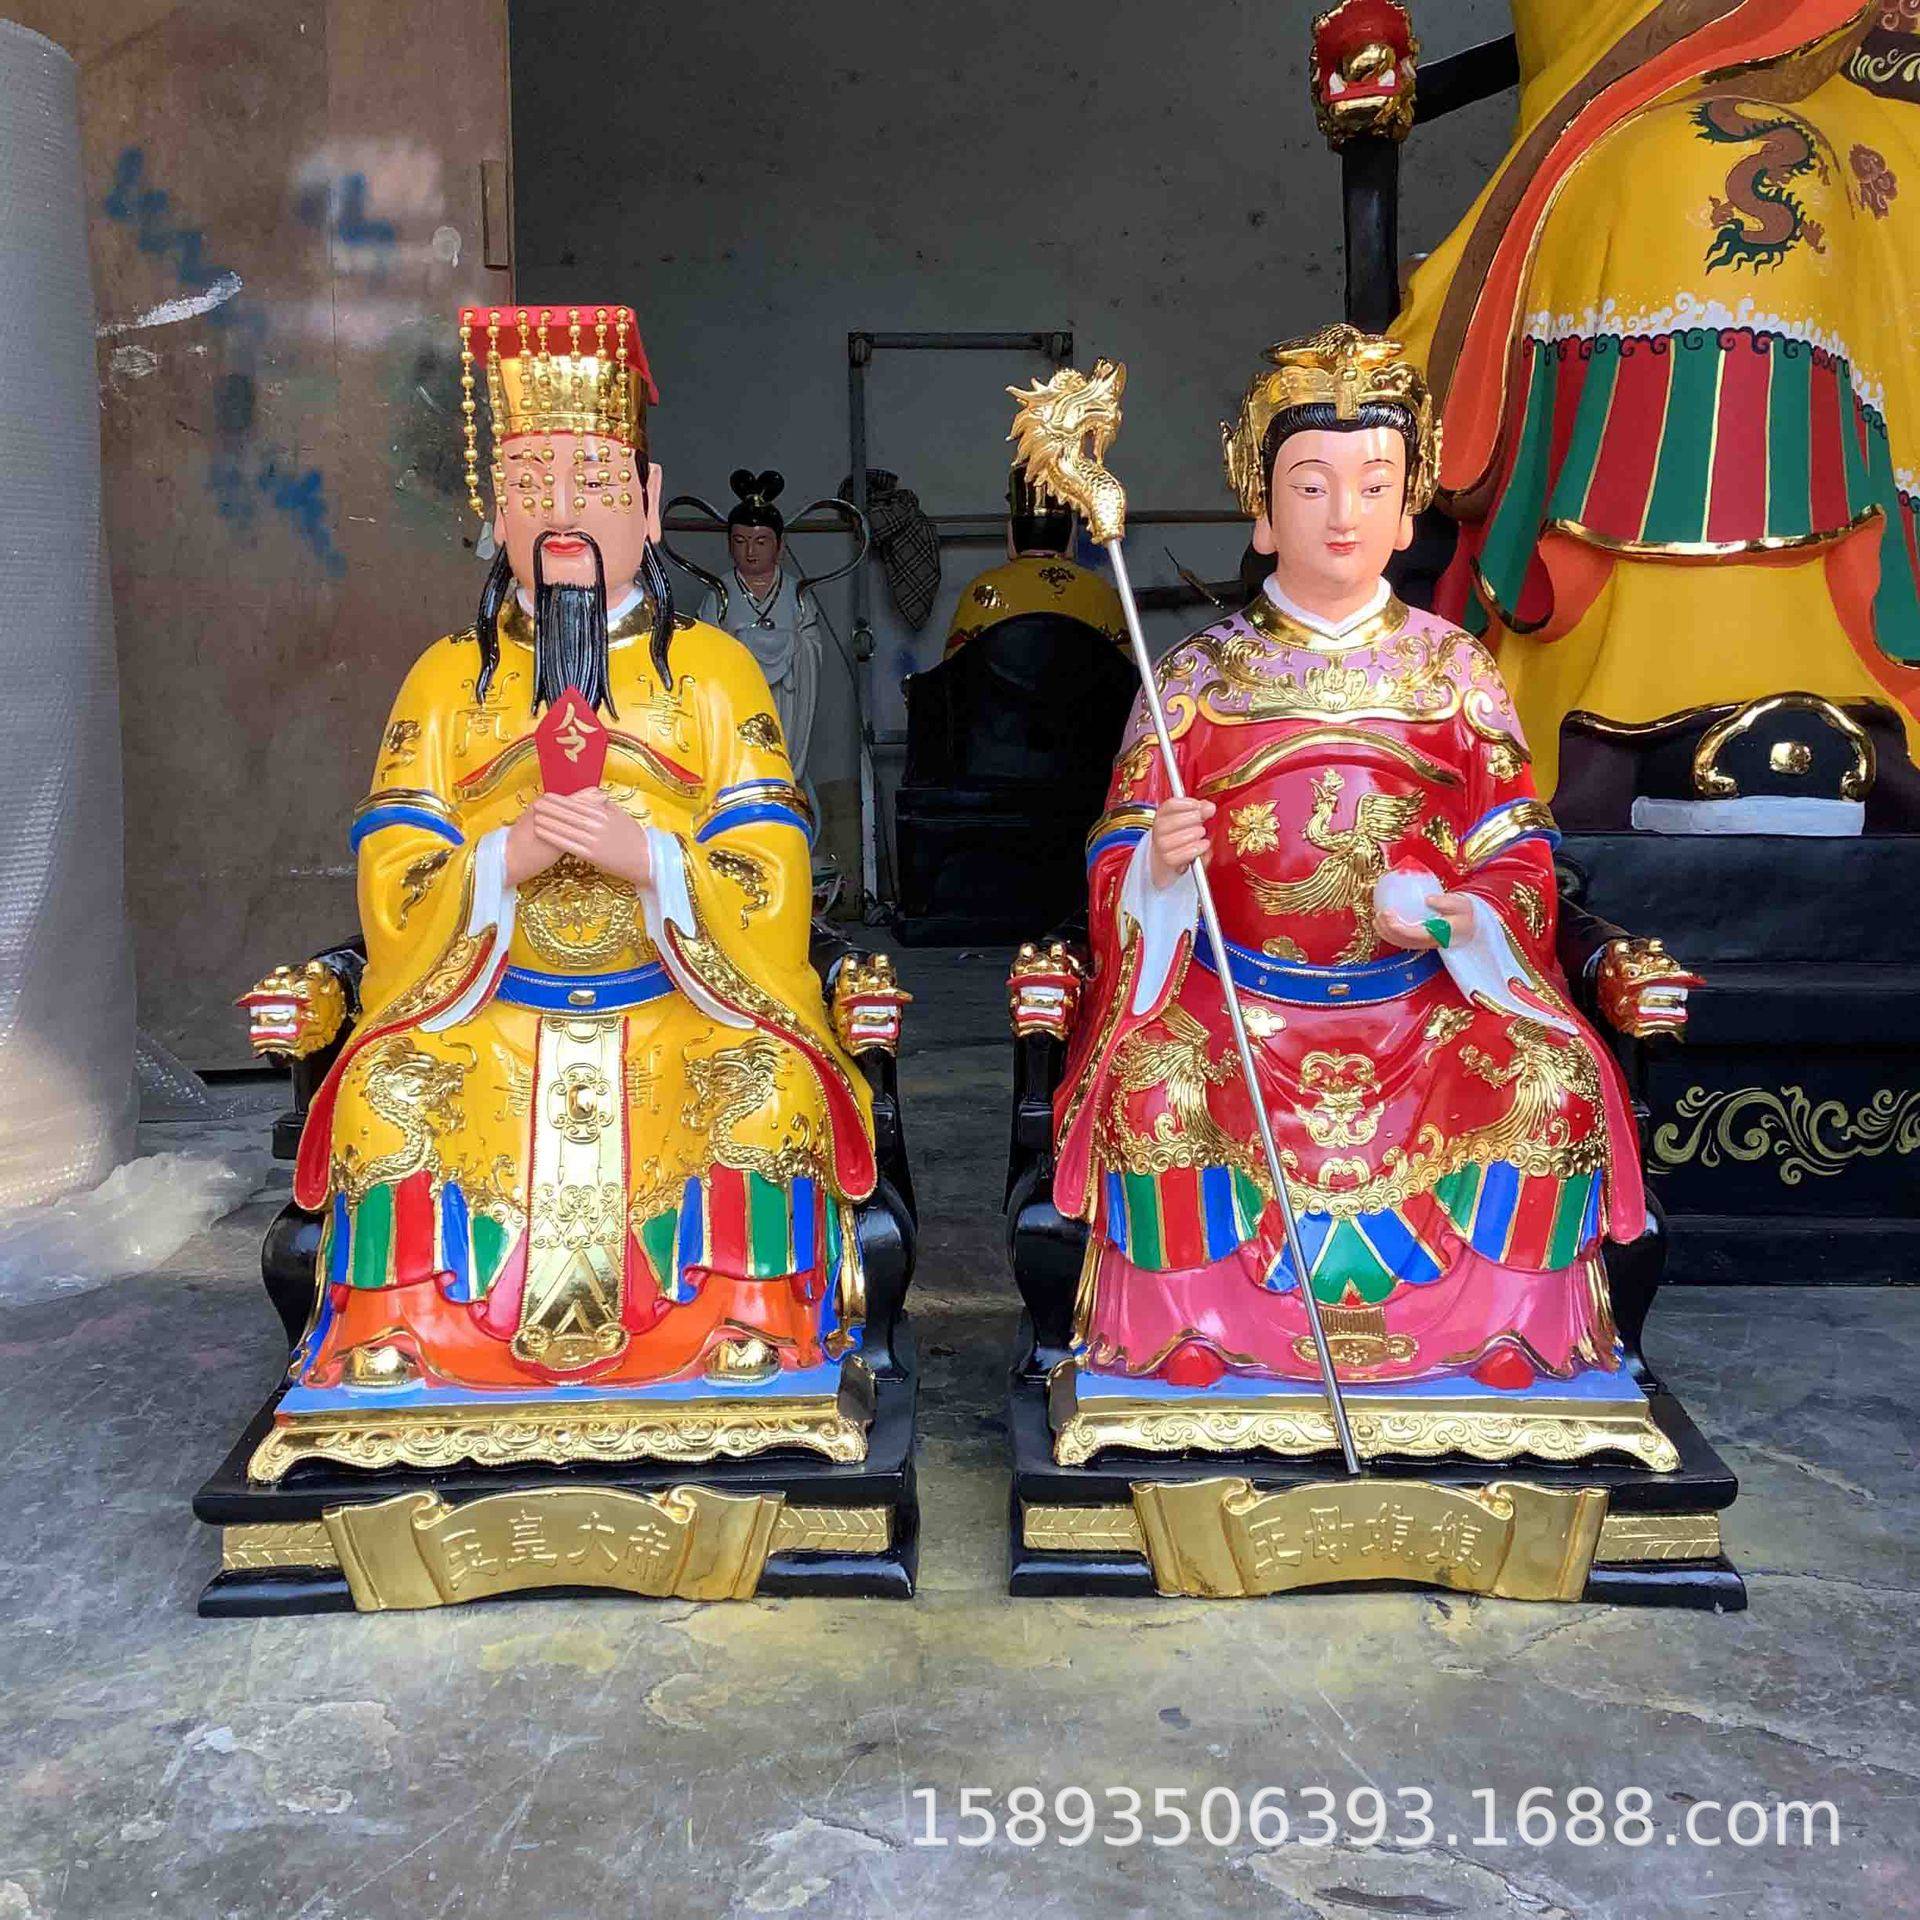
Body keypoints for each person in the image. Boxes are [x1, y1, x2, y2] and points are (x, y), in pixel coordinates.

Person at [265, 306, 890, 1394]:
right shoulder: (444, 682)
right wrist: (494, 862)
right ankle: (406, 1337)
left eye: (594, 483)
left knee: (768, 1090)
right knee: (385, 1098)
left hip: (679, 1002)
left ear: (648, 503)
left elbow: (775, 864)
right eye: (529, 484)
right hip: (490, 1012)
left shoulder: (713, 673)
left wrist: (653, 859)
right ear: (494, 511)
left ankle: (741, 1327)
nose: (560, 512)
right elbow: (393, 866)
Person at [1054, 324, 1682, 1392]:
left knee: (1552, 1082)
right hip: (1236, 1000)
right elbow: (1115, 855)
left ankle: (1503, 1335)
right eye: (1310, 485)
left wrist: (1455, 915)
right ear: (1262, 510)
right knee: (1157, 1088)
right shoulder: (1193, 682)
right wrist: (1156, 866)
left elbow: (1520, 854)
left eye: (1373, 486)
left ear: (1408, 510)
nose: (1342, 513)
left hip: (1421, 1005)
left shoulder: (1456, 672)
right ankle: (1191, 1333)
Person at [1391, 0, 1920, 798]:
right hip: (1692, 63)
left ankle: (1853, 688)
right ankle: (1650, 693)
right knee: (1702, 163)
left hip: (1885, 87)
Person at [695, 469, 824, 798]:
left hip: (786, 698)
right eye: (740, 542)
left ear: (780, 546)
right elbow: (703, 654)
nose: (750, 551)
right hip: (738, 698)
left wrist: (792, 646)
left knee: (780, 759)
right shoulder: (719, 594)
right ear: (729, 545)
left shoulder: (796, 595)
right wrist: (736, 649)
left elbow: (812, 648)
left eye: (761, 541)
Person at [941, 464, 1128, 657]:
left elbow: (953, 667)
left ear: (1011, 532)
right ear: (1071, 532)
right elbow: (1126, 668)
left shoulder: (983, 591)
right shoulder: (1100, 592)